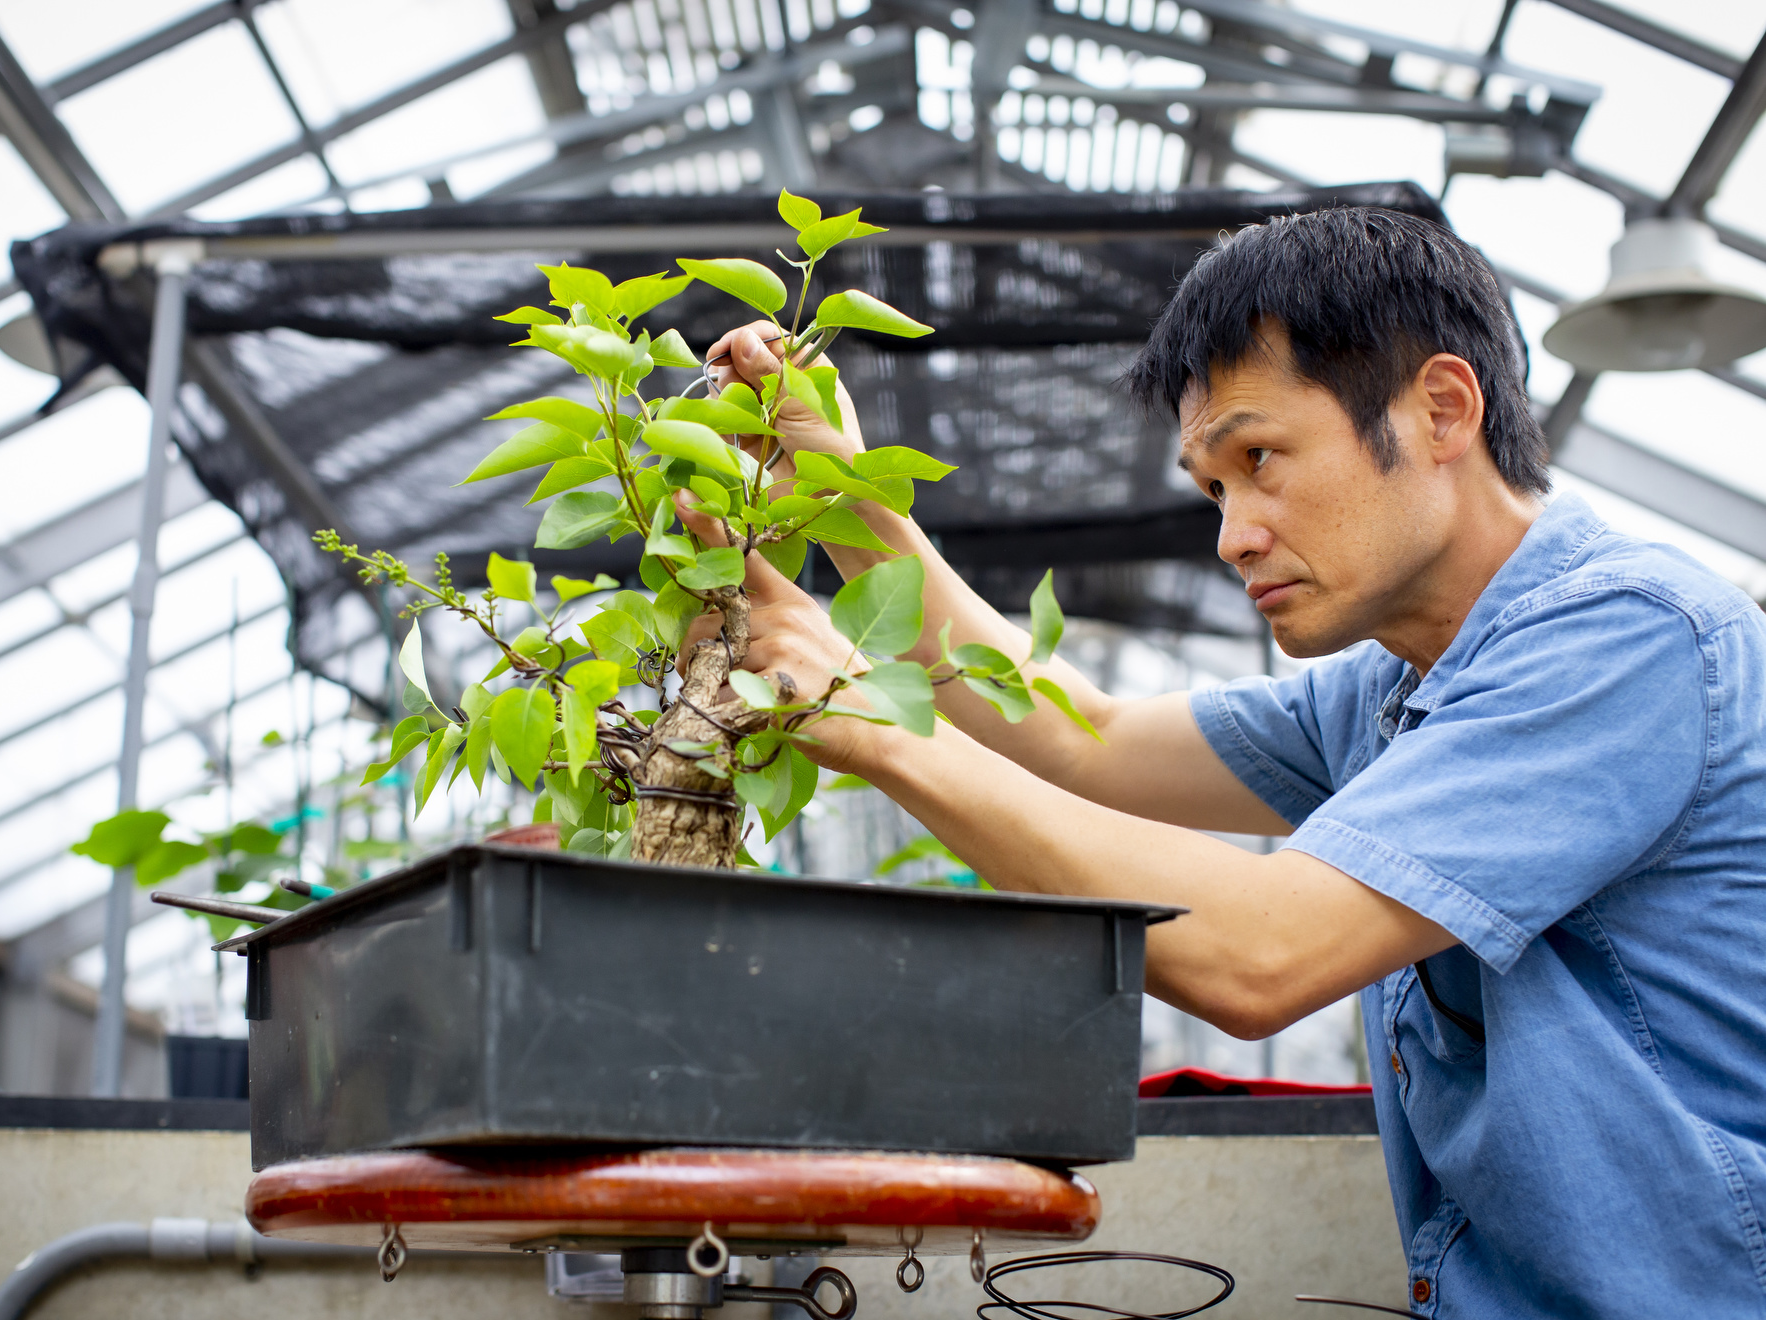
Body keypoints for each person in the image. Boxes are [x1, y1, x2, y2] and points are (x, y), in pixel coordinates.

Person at [688, 207, 1766, 1316]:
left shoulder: (1627, 639)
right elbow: (1078, 739)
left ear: (1442, 409)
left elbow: (1261, 958)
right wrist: (846, 503)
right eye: (1215, 487)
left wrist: (866, 723)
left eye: (1261, 460)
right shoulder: (1393, 685)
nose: (1233, 534)